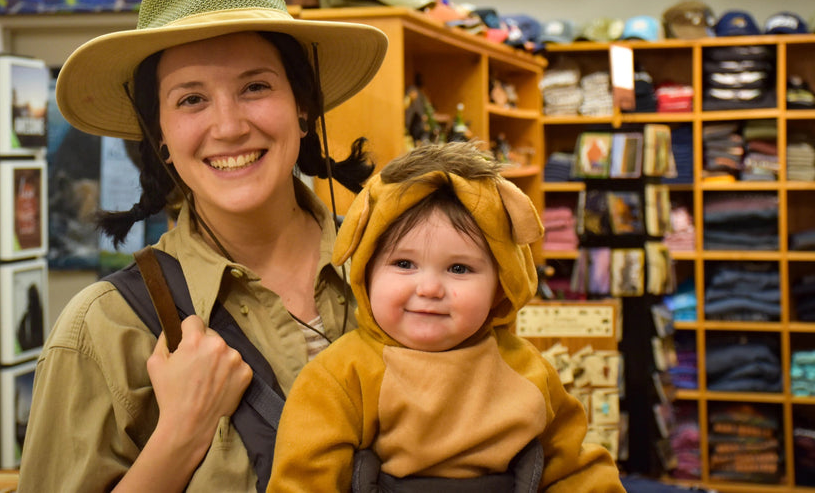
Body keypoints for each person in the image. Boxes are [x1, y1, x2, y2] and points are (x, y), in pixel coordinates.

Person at [17, 0, 388, 492]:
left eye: (255, 87)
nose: (229, 126)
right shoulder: (106, 330)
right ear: (160, 134)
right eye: (191, 99)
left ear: (302, 106)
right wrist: (183, 432)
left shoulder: (395, 271)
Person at [268, 142, 627, 492]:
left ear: (500, 285)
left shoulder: (526, 369)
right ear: (367, 270)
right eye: (404, 264)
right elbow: (303, 479)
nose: (429, 289)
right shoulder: (341, 376)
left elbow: (576, 468)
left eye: (458, 268)